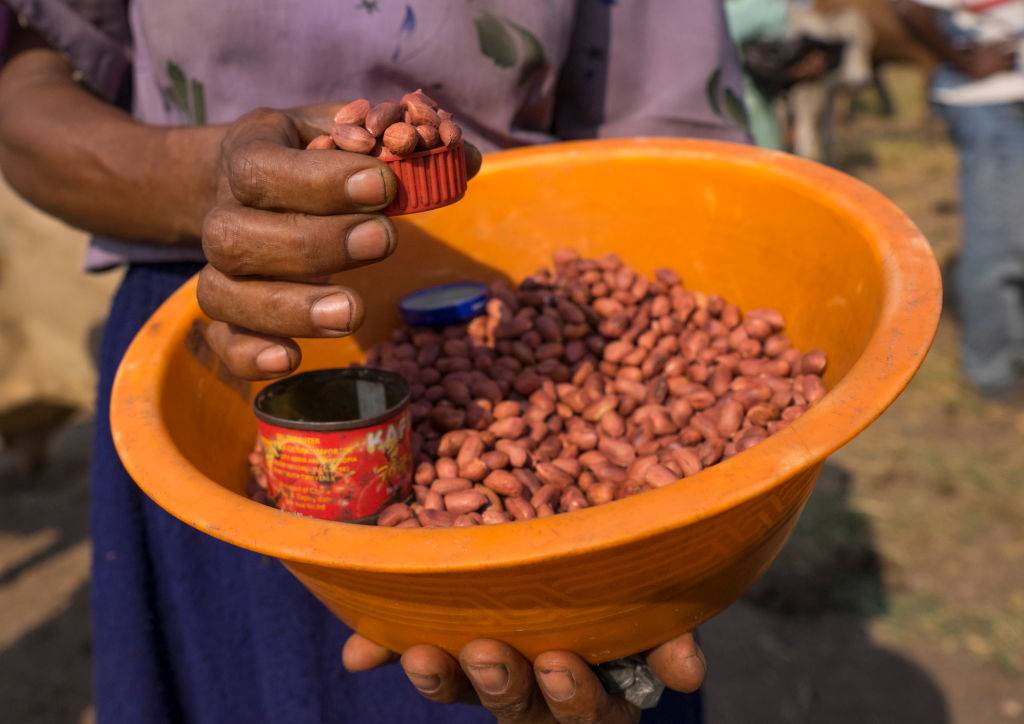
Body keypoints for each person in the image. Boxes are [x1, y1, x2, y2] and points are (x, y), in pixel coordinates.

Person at [0, 2, 746, 722]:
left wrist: (657, 562)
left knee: (583, 650)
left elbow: (676, 138)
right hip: (222, 320)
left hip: (529, 272)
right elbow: (21, 85)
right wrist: (206, 182)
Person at [896, 0, 1024, 395]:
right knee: (998, 245)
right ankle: (993, 371)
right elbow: (907, 6)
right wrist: (961, 59)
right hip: (992, 102)